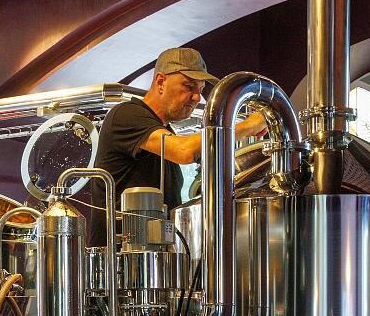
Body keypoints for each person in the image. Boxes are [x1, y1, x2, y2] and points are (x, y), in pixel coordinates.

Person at [93, 46, 267, 209]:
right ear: (161, 82)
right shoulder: (126, 114)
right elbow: (184, 151)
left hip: (157, 232)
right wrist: (249, 125)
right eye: (189, 86)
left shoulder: (167, 131)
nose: (197, 97)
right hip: (126, 233)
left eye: (200, 89)